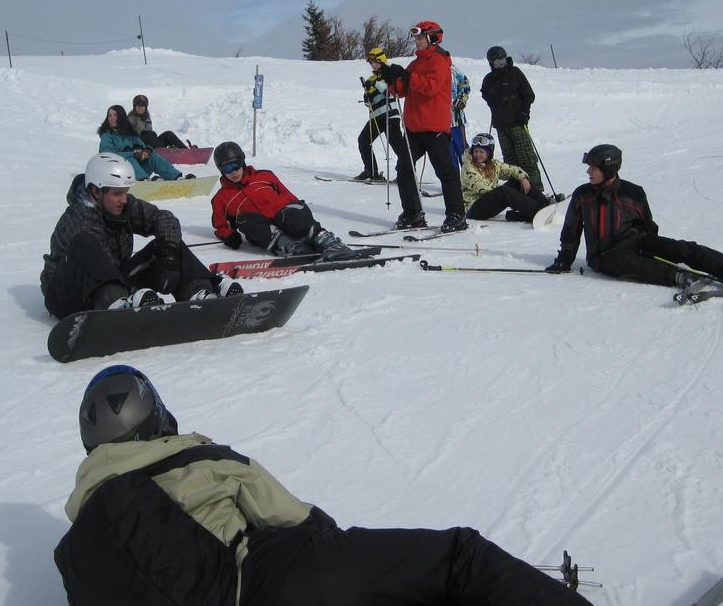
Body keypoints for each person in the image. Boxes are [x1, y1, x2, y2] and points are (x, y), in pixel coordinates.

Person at [54, 364, 591, 606]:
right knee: (458, 557)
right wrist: (334, 550)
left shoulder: (87, 530)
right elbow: (286, 514)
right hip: (276, 577)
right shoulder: (192, 454)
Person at [40, 153, 238, 319]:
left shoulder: (122, 205)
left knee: (168, 242)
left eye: (125, 192)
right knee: (85, 244)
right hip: (67, 293)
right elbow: (100, 264)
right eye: (117, 193)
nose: (123, 199)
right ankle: (116, 303)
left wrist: (167, 255)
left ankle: (199, 291)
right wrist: (129, 291)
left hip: (112, 281)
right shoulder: (79, 217)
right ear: (95, 191)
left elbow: (163, 218)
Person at [544, 144, 723, 290]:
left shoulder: (633, 193)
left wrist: (653, 246)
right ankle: (680, 277)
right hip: (604, 257)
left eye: (593, 167)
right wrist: (564, 260)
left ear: (608, 169)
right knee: (629, 262)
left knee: (679, 247)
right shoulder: (583, 195)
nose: (588, 171)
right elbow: (571, 231)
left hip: (634, 244)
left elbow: (647, 225)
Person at [379, 21, 468, 233]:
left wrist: (407, 77)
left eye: (419, 38)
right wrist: (391, 78)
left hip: (435, 128)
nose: (416, 42)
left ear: (432, 38)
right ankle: (413, 213)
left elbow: (430, 87)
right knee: (404, 170)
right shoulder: (415, 64)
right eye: (416, 38)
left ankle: (456, 215)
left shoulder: (440, 61)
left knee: (445, 172)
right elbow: (400, 91)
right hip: (414, 129)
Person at [210, 141, 357, 260]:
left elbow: (290, 197)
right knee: (245, 221)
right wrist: (229, 236)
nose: (234, 171)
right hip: (263, 231)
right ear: (221, 169)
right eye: (228, 168)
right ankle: (291, 245)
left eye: (236, 165)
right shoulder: (221, 198)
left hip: (284, 217)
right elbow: (220, 224)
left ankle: (328, 242)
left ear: (242, 162)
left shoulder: (264, 176)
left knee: (292, 210)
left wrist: (298, 213)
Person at [480, 46, 545, 195]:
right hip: (501, 125)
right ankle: (517, 192)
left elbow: (529, 95)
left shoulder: (515, 73)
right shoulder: (489, 79)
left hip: (517, 123)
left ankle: (537, 191)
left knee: (527, 158)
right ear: (491, 63)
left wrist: (524, 111)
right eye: (496, 62)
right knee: (510, 162)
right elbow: (485, 94)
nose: (500, 64)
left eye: (502, 60)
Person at [461, 133, 544, 222]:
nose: (478, 155)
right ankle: (536, 211)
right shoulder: (468, 167)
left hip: (488, 200)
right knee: (503, 191)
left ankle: (544, 204)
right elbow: (482, 187)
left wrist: (523, 178)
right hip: (473, 209)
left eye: (482, 152)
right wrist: (509, 193)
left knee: (516, 181)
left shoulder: (493, 164)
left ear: (489, 153)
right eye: (476, 151)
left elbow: (511, 170)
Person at [353, 46, 406, 182]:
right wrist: (367, 97)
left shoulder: (389, 73)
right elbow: (368, 101)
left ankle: (407, 173)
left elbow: (391, 93)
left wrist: (375, 84)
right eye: (371, 63)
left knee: (396, 142)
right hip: (376, 116)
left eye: (375, 62)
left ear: (381, 60)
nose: (373, 65)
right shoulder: (371, 78)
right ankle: (371, 171)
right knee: (363, 140)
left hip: (390, 114)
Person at [98, 105, 185, 181]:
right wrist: (134, 154)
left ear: (121, 117)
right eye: (110, 116)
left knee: (153, 157)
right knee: (129, 160)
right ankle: (143, 181)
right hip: (116, 173)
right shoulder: (107, 136)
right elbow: (107, 155)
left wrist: (147, 151)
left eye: (115, 115)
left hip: (136, 171)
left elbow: (144, 147)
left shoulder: (130, 134)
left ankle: (176, 177)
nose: (112, 118)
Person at [450, 62, 471, 170]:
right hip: (439, 123)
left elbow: (465, 82)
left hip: (456, 119)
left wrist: (462, 98)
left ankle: (468, 178)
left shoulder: (452, 69)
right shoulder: (428, 68)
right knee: (448, 154)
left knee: (463, 151)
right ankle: (453, 182)